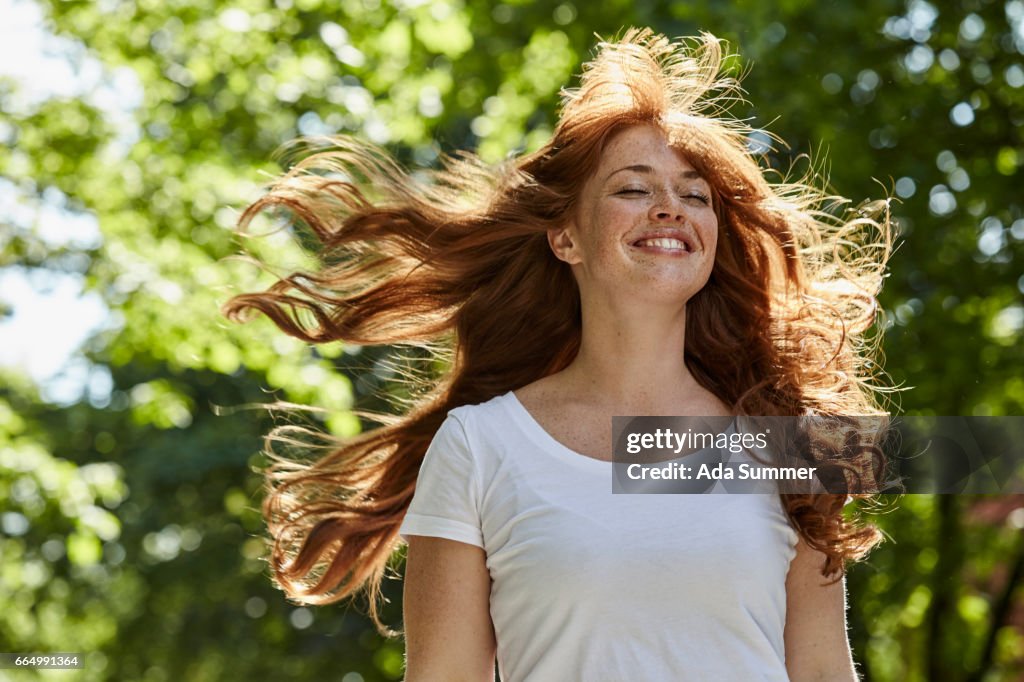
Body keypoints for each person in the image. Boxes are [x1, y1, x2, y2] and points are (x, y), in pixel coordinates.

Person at [223, 27, 892, 681]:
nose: (670, 208)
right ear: (566, 237)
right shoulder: (478, 448)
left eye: (695, 195)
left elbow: (824, 668)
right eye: (633, 188)